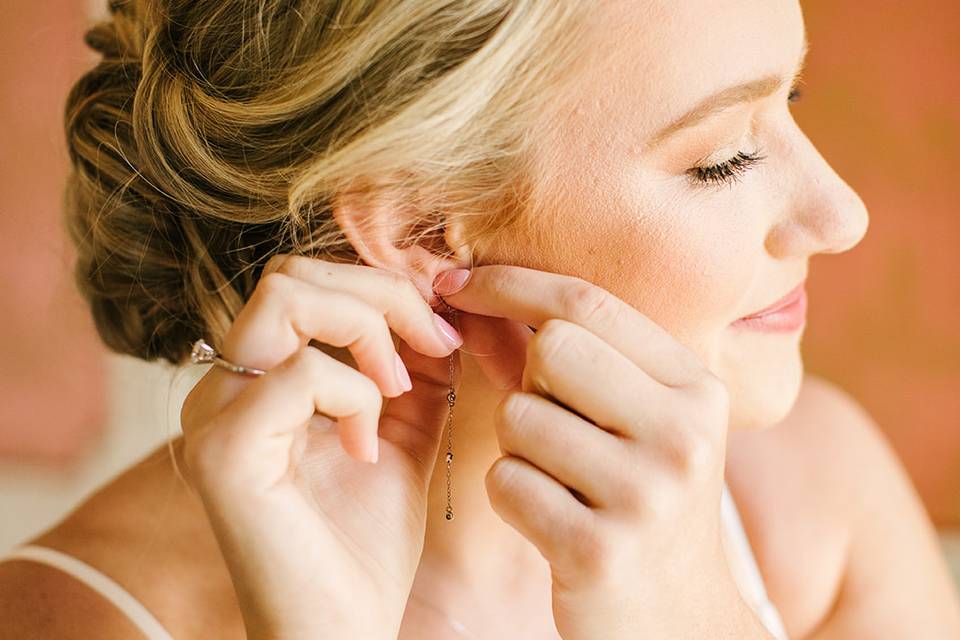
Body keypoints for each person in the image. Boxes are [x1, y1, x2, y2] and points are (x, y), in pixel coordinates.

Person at [2, 0, 959, 638]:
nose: (842, 215)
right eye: (722, 158)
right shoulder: (70, 618)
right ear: (423, 231)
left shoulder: (816, 500)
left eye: (789, 97)